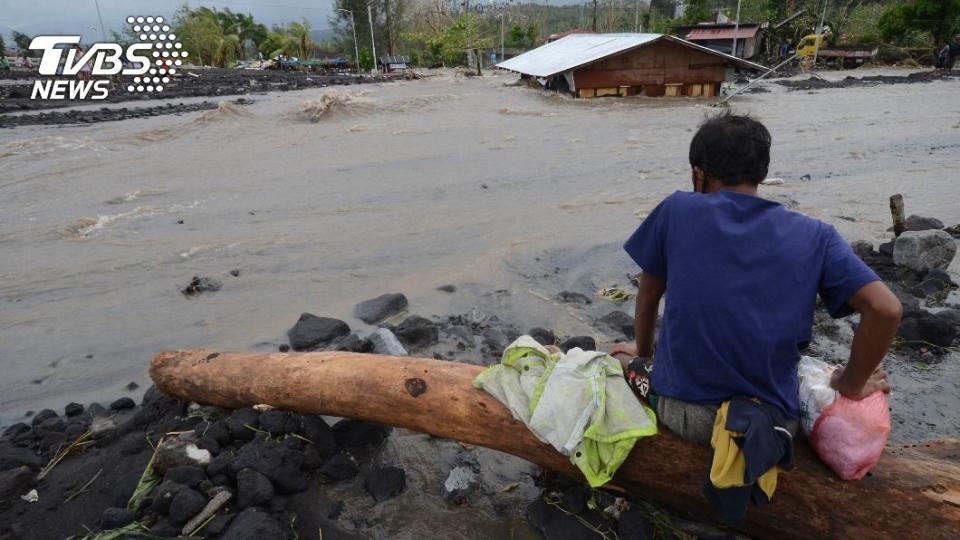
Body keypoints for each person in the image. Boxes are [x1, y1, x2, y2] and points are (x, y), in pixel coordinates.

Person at [610, 112, 902, 446]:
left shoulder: (677, 209)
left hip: (689, 416)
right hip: (774, 423)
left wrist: (644, 353)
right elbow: (886, 309)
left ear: (698, 174)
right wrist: (851, 385)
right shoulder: (817, 234)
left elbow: (647, 299)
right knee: (812, 369)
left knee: (621, 360)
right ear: (760, 172)